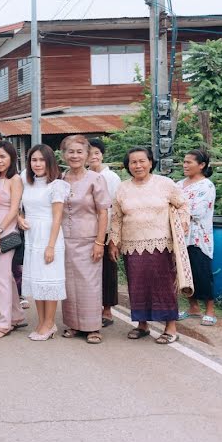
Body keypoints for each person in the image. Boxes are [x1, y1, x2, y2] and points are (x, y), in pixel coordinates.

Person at [110, 147, 189, 344]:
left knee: (164, 285)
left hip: (162, 244)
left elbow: (183, 205)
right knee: (137, 286)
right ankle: (142, 324)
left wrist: (182, 224)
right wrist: (114, 242)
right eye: (133, 162)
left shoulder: (165, 184)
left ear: (150, 162)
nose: (138, 165)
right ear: (128, 166)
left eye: (142, 161)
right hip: (131, 245)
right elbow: (116, 218)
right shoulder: (122, 188)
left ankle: (170, 326)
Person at [60, 135, 110, 345]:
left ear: (88, 155)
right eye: (70, 152)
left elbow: (104, 212)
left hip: (89, 239)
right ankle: (73, 324)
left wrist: (100, 242)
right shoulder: (62, 178)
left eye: (80, 152)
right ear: (64, 155)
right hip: (66, 239)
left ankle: (92, 327)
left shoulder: (95, 179)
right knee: (69, 283)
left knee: (89, 284)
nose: (75, 156)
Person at [19, 145, 68, 340]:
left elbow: (57, 218)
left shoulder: (56, 185)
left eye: (41, 160)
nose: (37, 164)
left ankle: (49, 323)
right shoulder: (27, 182)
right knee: (37, 281)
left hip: (50, 235)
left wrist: (50, 246)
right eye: (33, 160)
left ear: (49, 162)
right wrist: (19, 218)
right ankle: (41, 321)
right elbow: (22, 208)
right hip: (31, 236)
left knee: (49, 280)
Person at [0, 141, 25, 339]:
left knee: (1, 277)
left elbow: (14, 209)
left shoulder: (15, 179)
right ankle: (17, 315)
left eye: (3, 156)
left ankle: (4, 323)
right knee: (5, 275)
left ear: (11, 158)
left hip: (5, 229)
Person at [177, 150, 217, 326]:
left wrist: (178, 209)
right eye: (184, 162)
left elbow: (198, 211)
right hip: (179, 236)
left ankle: (210, 310)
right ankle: (193, 307)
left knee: (202, 272)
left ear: (201, 165)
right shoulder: (178, 185)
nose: (185, 165)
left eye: (189, 162)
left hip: (198, 237)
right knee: (185, 273)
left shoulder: (206, 186)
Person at [88, 138, 122, 327]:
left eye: (97, 153)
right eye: (90, 153)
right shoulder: (83, 176)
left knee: (107, 271)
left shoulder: (111, 177)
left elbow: (115, 209)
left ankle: (107, 310)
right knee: (91, 272)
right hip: (87, 231)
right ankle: (91, 308)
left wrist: (113, 238)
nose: (93, 156)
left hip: (107, 231)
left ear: (102, 155)